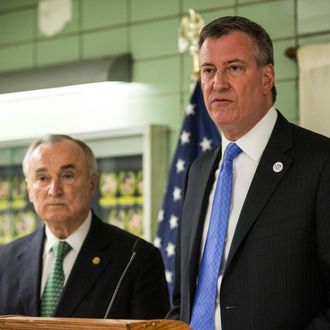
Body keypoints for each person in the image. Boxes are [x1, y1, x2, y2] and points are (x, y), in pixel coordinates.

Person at [167, 16, 330, 329]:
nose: (218, 83)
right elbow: (183, 297)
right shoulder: (198, 171)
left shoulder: (319, 163)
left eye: (234, 68)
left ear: (266, 78)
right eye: (208, 70)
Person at [0, 134, 170, 319]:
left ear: (92, 183)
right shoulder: (5, 260)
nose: (54, 190)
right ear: (28, 190)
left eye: (67, 176)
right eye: (42, 178)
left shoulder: (136, 259)